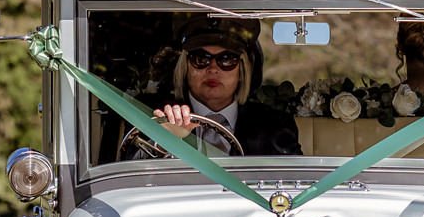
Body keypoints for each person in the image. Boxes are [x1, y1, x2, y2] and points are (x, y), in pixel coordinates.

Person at [112, 22, 301, 161]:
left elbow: (295, 181)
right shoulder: (152, 112)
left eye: (227, 59)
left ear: (242, 71)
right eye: (200, 59)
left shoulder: (273, 124)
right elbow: (127, 174)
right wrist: (164, 141)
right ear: (185, 68)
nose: (212, 69)